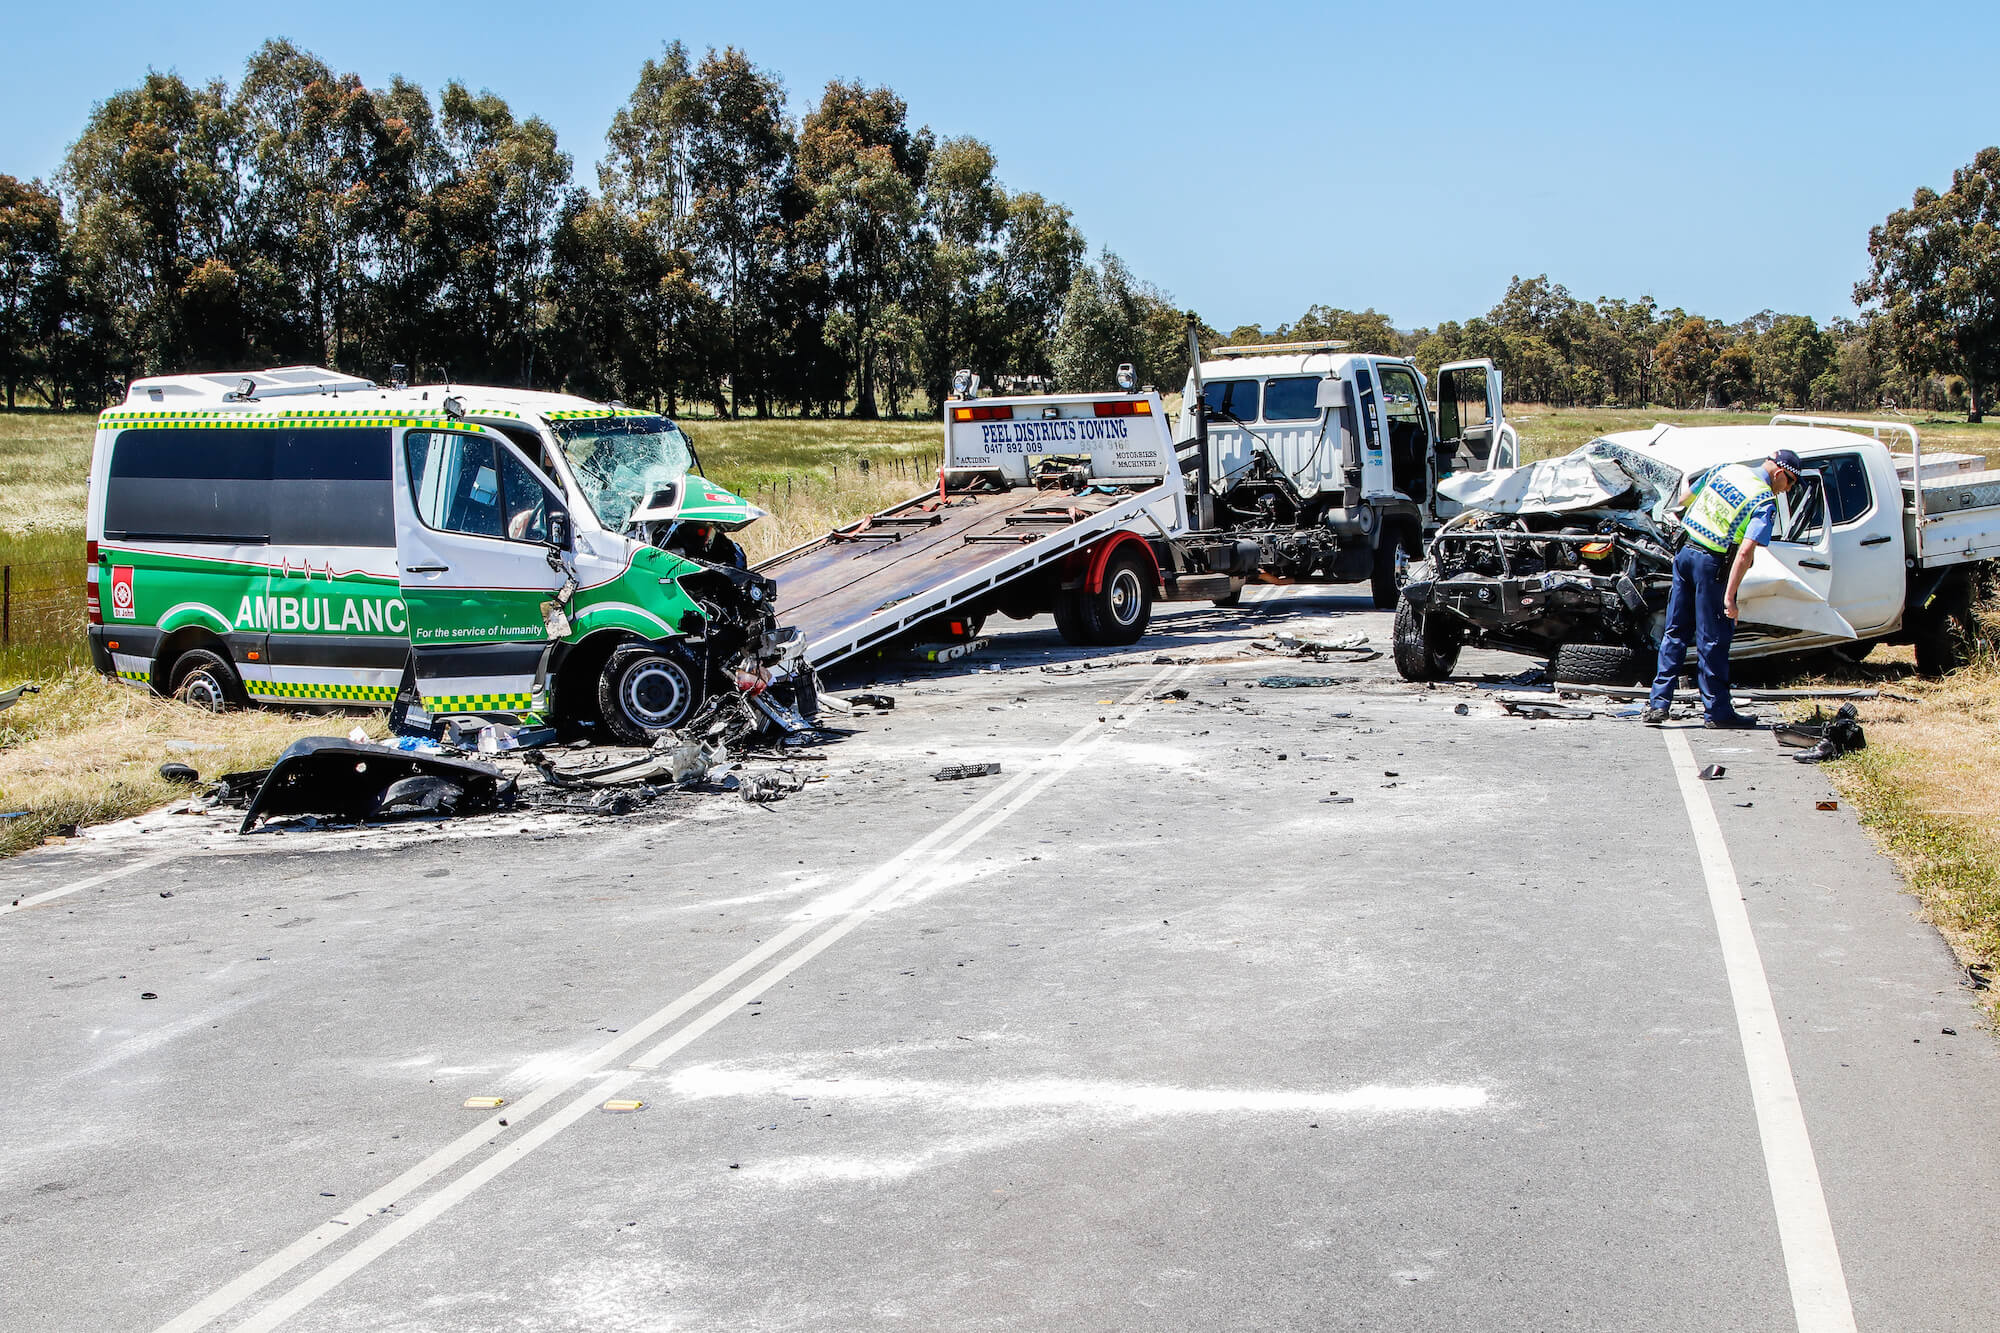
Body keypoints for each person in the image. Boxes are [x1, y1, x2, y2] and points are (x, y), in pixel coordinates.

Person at [1643, 448, 1803, 728]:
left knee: (1676, 631)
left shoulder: (1724, 469)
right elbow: (1745, 553)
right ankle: (1717, 712)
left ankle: (1658, 704)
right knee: (1712, 639)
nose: (1786, 490)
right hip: (1712, 565)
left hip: (1685, 554)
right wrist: (1730, 598)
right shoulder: (1763, 500)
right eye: (1789, 483)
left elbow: (1683, 500)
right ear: (1779, 473)